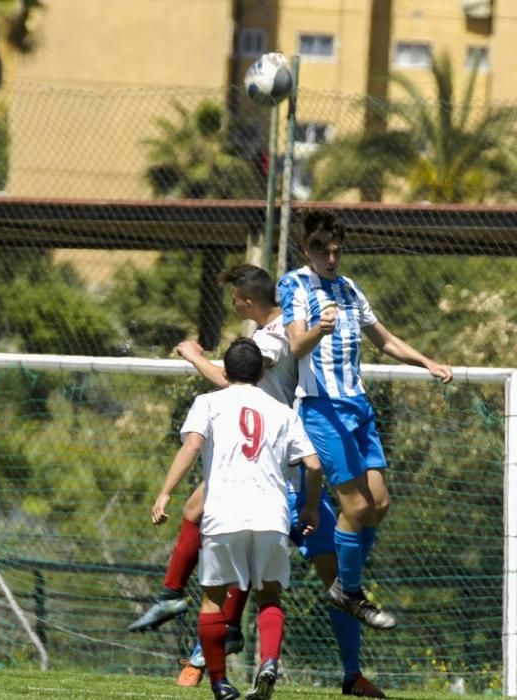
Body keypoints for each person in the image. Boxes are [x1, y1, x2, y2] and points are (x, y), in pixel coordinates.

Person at [132, 263, 388, 698]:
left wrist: (195, 357)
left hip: (277, 469)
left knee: (328, 581)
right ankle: (199, 637)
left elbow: (235, 380)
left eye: (235, 299)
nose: (234, 305)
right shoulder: (272, 335)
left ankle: (349, 673)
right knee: (235, 552)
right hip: (274, 467)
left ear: (248, 301)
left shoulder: (270, 339)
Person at [278, 209, 454, 631]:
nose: (332, 259)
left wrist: (426, 361)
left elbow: (386, 340)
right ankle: (350, 591)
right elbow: (297, 346)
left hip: (358, 406)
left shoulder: (350, 289)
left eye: (338, 251)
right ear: (308, 250)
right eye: (324, 251)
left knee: (379, 504)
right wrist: (320, 329)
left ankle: (345, 582)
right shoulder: (295, 284)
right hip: (322, 409)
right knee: (355, 505)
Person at [151, 337, 323, 700]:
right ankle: (270, 662)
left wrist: (166, 492)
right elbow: (313, 464)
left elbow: (193, 445)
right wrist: (309, 507)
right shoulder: (282, 411)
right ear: (262, 372)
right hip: (271, 515)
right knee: (269, 598)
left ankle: (219, 682)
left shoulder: (208, 403)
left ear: (225, 372)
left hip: (223, 515)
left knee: (213, 600)